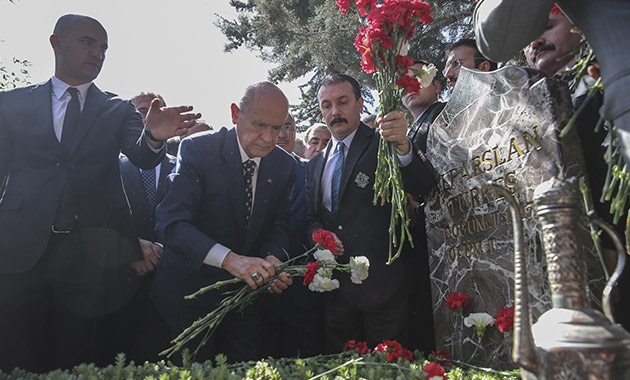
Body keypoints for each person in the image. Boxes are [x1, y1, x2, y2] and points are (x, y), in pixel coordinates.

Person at [0, 14, 200, 373]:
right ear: (56, 43)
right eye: (87, 42)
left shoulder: (116, 108)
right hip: (20, 251)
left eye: (104, 47)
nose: (98, 53)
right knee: (15, 350)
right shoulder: (11, 104)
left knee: (75, 355)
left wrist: (155, 136)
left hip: (87, 257)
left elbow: (139, 156)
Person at [149, 82, 295, 363]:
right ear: (235, 114)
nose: (268, 138)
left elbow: (278, 223)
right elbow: (172, 223)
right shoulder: (199, 149)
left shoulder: (283, 165)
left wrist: (273, 258)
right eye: (260, 125)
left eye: (277, 128)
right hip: (187, 300)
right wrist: (230, 260)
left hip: (244, 302)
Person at [305, 73, 436, 352]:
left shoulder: (384, 143)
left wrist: (404, 147)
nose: (335, 112)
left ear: (360, 102)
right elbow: (311, 217)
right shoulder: (315, 165)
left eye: (342, 102)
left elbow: (423, 184)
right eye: (326, 105)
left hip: (384, 292)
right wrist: (321, 236)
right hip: (336, 297)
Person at [474, 0, 630, 166]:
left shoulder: (599, 77)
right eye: (526, 41)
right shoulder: (516, 103)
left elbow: (494, 38)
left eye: (547, 27)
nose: (535, 42)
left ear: (577, 26)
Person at [263, 112, 325, 358]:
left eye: (286, 126)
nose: (280, 133)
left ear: (295, 132)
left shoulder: (310, 170)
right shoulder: (248, 170)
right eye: (273, 126)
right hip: (259, 280)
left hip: (301, 280)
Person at [401, 59, 445, 352]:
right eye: (404, 81)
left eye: (420, 77)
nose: (411, 85)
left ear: (439, 86)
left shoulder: (445, 116)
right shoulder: (409, 129)